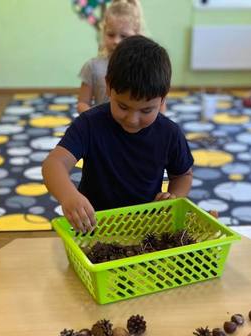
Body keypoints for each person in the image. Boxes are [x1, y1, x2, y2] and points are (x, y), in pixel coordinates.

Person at [43, 35, 194, 233]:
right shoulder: (89, 124)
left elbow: (182, 175)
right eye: (123, 106)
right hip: (94, 226)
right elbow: (54, 164)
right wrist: (68, 195)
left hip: (146, 228)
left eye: (146, 110)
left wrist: (173, 198)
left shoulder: (169, 133)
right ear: (108, 86)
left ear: (163, 99)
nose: (132, 119)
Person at [77, 0, 144, 114]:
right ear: (103, 32)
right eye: (111, 35)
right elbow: (82, 103)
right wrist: (94, 119)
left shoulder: (144, 67)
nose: (116, 41)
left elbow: (158, 104)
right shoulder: (93, 67)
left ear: (137, 34)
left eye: (123, 36)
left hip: (133, 123)